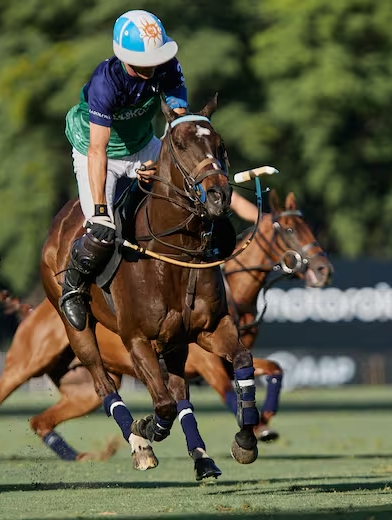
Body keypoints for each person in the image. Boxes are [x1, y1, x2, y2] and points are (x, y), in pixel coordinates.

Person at [62, 10, 253, 331]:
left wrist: (165, 164)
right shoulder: (105, 83)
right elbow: (98, 149)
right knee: (100, 233)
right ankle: (73, 285)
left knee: (195, 185)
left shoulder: (168, 69)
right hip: (97, 151)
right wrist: (99, 210)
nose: (154, 66)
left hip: (142, 145)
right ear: (126, 58)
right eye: (146, 60)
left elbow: (181, 129)